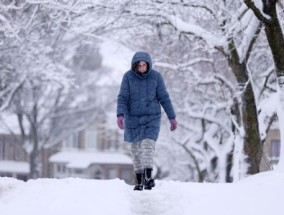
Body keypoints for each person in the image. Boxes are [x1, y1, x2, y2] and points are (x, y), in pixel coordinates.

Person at [116, 51, 177, 191]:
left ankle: (148, 177)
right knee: (136, 150)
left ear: (148, 65)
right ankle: (139, 180)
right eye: (139, 65)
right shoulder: (128, 77)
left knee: (148, 145)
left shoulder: (156, 77)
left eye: (144, 65)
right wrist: (120, 114)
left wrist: (172, 117)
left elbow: (164, 97)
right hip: (133, 118)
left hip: (152, 117)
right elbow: (123, 97)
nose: (142, 68)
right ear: (135, 66)